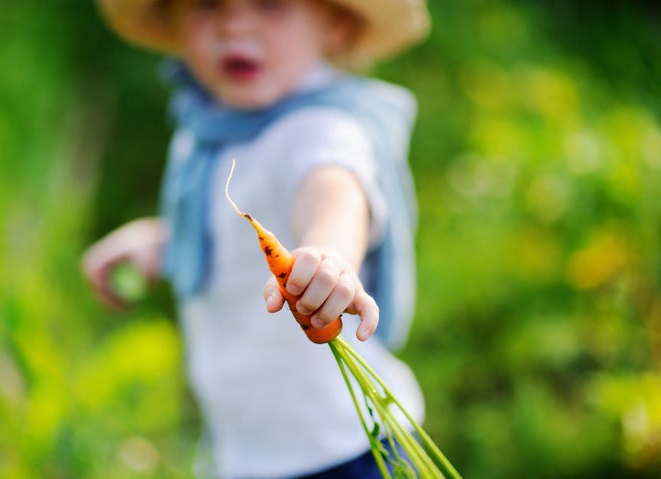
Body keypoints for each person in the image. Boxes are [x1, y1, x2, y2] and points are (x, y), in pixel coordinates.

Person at [83, 0, 431, 477]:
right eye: (208, 3)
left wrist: (331, 253)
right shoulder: (207, 133)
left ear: (337, 24)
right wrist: (159, 242)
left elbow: (335, 189)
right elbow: (218, 234)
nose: (234, 23)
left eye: (270, 4)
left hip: (344, 443)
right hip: (246, 451)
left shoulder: (319, 128)